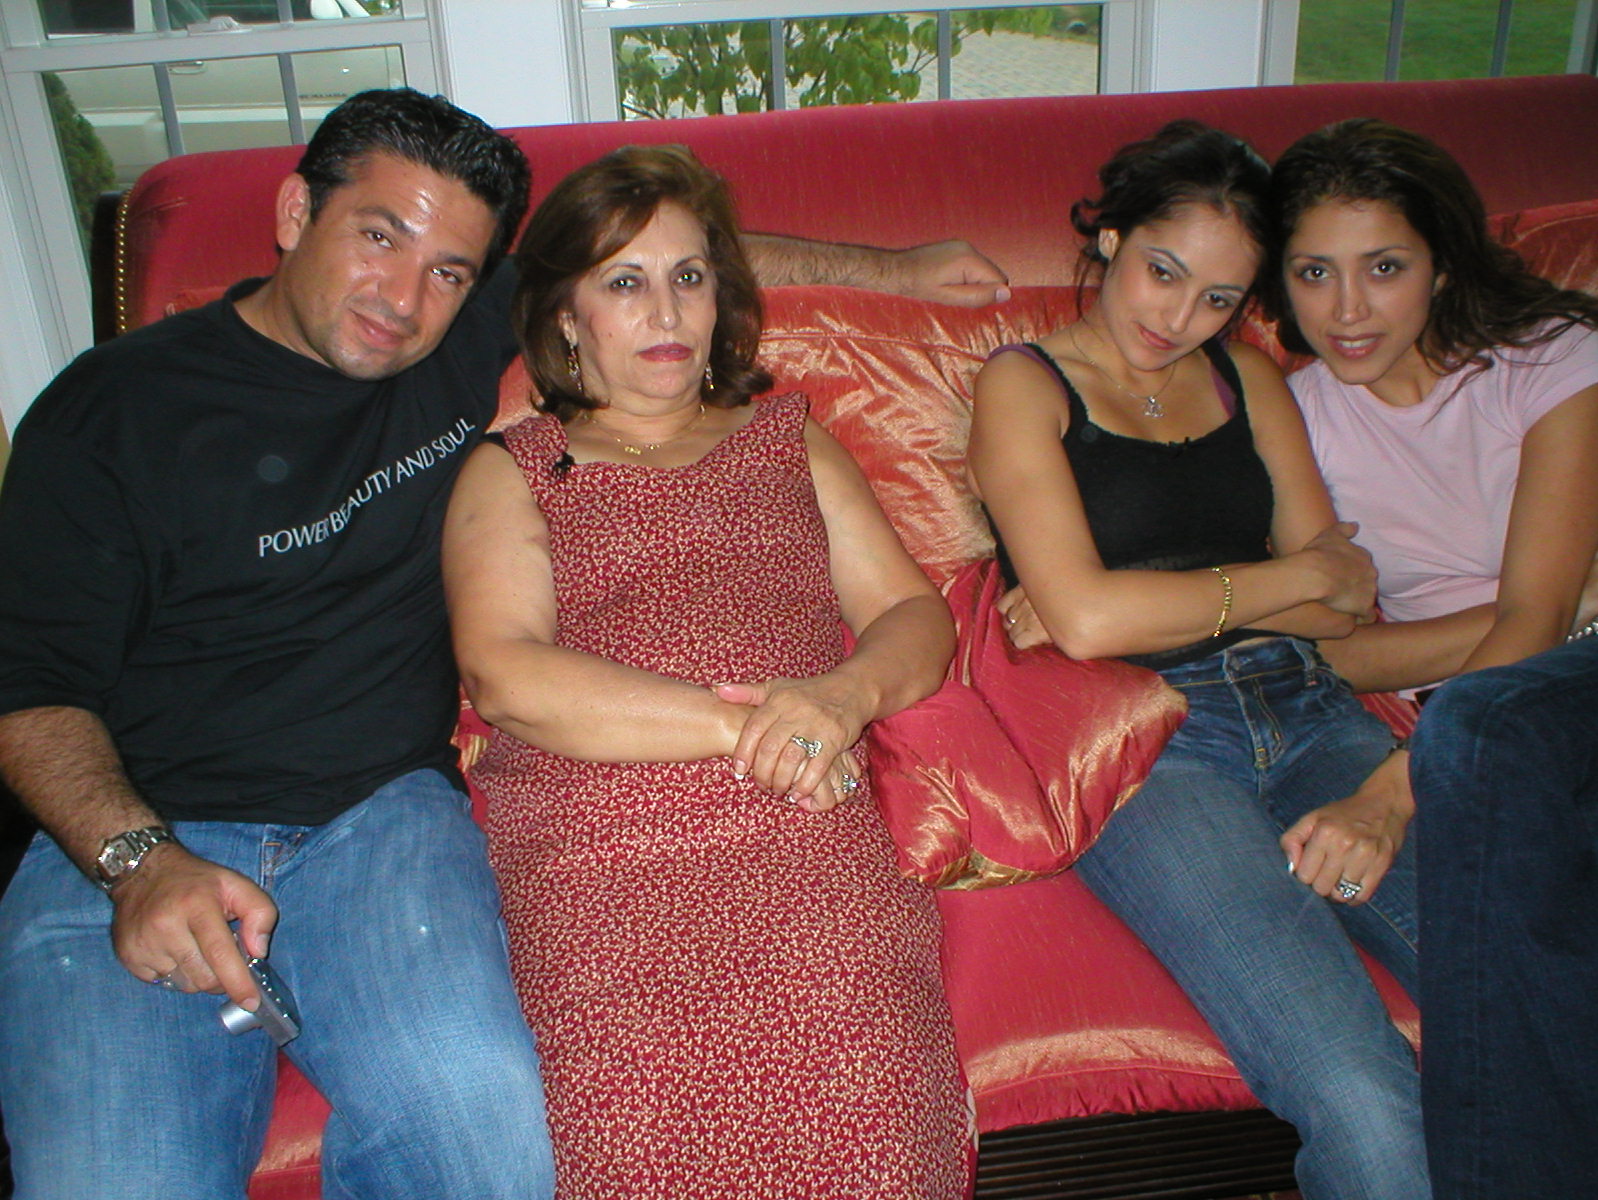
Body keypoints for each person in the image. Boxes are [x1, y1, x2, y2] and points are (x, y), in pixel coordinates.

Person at [0, 87, 1006, 1198]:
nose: (403, 298)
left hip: (379, 824)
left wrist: (899, 270)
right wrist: (139, 863)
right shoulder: (112, 409)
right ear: (294, 214)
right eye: (378, 236)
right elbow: (27, 690)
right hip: (143, 826)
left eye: (449, 271)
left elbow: (672, 254)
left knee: (485, 1142)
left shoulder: (473, 344)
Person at [440, 144, 971, 1198]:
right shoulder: (514, 467)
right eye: (624, 283)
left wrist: (842, 697)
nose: (666, 311)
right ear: (565, 316)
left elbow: (913, 614)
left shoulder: (786, 440)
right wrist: (750, 726)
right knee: (629, 1137)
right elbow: (504, 675)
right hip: (601, 845)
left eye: (689, 277)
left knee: (872, 1115)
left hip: (802, 819)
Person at [967, 121, 1428, 1200]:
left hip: (1315, 714)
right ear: (1111, 238)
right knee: (1358, 1087)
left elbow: (1345, 598)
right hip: (1150, 746)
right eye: (1162, 271)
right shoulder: (1025, 385)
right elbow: (1088, 622)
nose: (1178, 319)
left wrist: (1181, 595)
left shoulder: (1248, 378)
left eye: (1218, 297)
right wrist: (1280, 579)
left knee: (1535, 983)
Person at [1267, 118, 1598, 1200]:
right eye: (1313, 272)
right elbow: (1331, 655)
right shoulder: (1295, 419)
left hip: (1538, 705)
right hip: (1498, 739)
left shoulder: (1552, 360)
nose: (1346, 310)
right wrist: (1547, 606)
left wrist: (1388, 793)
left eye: (1384, 268)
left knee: (1478, 728)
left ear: (1442, 264)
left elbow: (1533, 627)